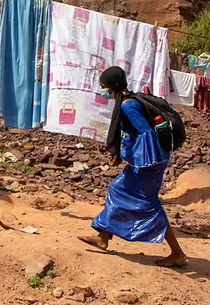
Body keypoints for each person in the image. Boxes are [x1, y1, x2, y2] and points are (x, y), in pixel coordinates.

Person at [78, 66, 188, 267]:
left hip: (149, 162)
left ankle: (177, 253)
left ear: (112, 86)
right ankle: (103, 238)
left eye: (103, 87)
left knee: (148, 204)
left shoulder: (128, 106)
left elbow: (145, 134)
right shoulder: (128, 99)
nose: (102, 90)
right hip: (146, 160)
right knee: (117, 189)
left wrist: (129, 155)